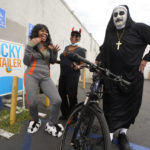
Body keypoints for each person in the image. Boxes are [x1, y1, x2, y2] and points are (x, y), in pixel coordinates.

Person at [96, 5, 150, 150]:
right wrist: (98, 59)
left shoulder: (139, 28)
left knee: (129, 108)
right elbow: (104, 49)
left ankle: (123, 134)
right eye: (115, 14)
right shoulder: (110, 32)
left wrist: (146, 59)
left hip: (131, 80)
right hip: (112, 79)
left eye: (121, 13)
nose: (118, 16)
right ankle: (110, 135)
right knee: (110, 108)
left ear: (127, 15)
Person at [23, 24, 64, 137]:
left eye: (46, 31)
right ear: (37, 32)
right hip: (31, 75)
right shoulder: (32, 43)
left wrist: (54, 52)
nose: (45, 32)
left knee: (57, 100)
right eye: (42, 30)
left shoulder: (49, 46)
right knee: (32, 103)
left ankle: (51, 124)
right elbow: (26, 62)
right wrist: (31, 45)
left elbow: (52, 61)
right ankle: (35, 120)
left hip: (45, 76)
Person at [58, 28, 86, 120]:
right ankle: (65, 114)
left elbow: (84, 63)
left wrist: (78, 67)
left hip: (72, 75)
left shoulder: (81, 50)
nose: (74, 37)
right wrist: (56, 60)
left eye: (76, 36)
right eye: (72, 35)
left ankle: (73, 116)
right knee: (61, 94)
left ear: (79, 38)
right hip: (63, 74)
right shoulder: (66, 47)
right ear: (70, 37)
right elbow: (64, 60)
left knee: (72, 95)